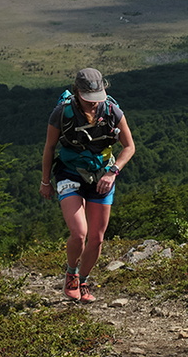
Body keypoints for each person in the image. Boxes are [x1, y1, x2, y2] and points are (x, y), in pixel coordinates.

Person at [40, 68, 135, 303]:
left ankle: (83, 280)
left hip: (103, 174)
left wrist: (113, 173)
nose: (93, 105)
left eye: (96, 99)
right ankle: (71, 273)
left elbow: (129, 147)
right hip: (69, 172)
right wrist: (45, 181)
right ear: (77, 92)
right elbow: (50, 148)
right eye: (88, 99)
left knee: (97, 238)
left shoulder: (112, 110)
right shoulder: (61, 113)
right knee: (79, 232)